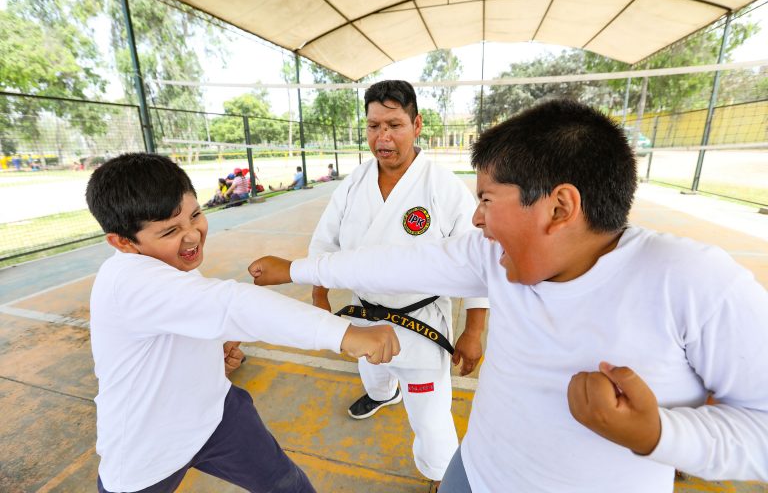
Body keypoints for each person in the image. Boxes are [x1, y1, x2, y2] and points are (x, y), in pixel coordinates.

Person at [248, 99, 768, 493]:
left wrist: (660, 436)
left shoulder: (695, 282)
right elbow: (390, 260)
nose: (476, 218)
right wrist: (296, 268)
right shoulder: (491, 259)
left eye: (488, 200)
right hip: (473, 474)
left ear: (560, 207)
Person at [84, 153, 400, 493]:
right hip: (147, 450)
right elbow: (233, 305)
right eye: (171, 230)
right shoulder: (129, 280)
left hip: (215, 414)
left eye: (196, 215)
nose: (192, 236)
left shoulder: (170, 261)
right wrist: (344, 334)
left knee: (288, 486)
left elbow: (188, 319)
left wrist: (205, 358)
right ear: (123, 242)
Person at [296, 80, 489, 487]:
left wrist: (474, 330)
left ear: (417, 125)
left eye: (394, 125)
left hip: (420, 323)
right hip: (364, 314)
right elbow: (324, 240)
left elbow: (475, 258)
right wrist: (319, 296)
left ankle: (442, 475)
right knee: (372, 372)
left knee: (432, 420)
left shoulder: (442, 186)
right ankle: (384, 394)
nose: (382, 137)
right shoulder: (354, 182)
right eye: (373, 126)